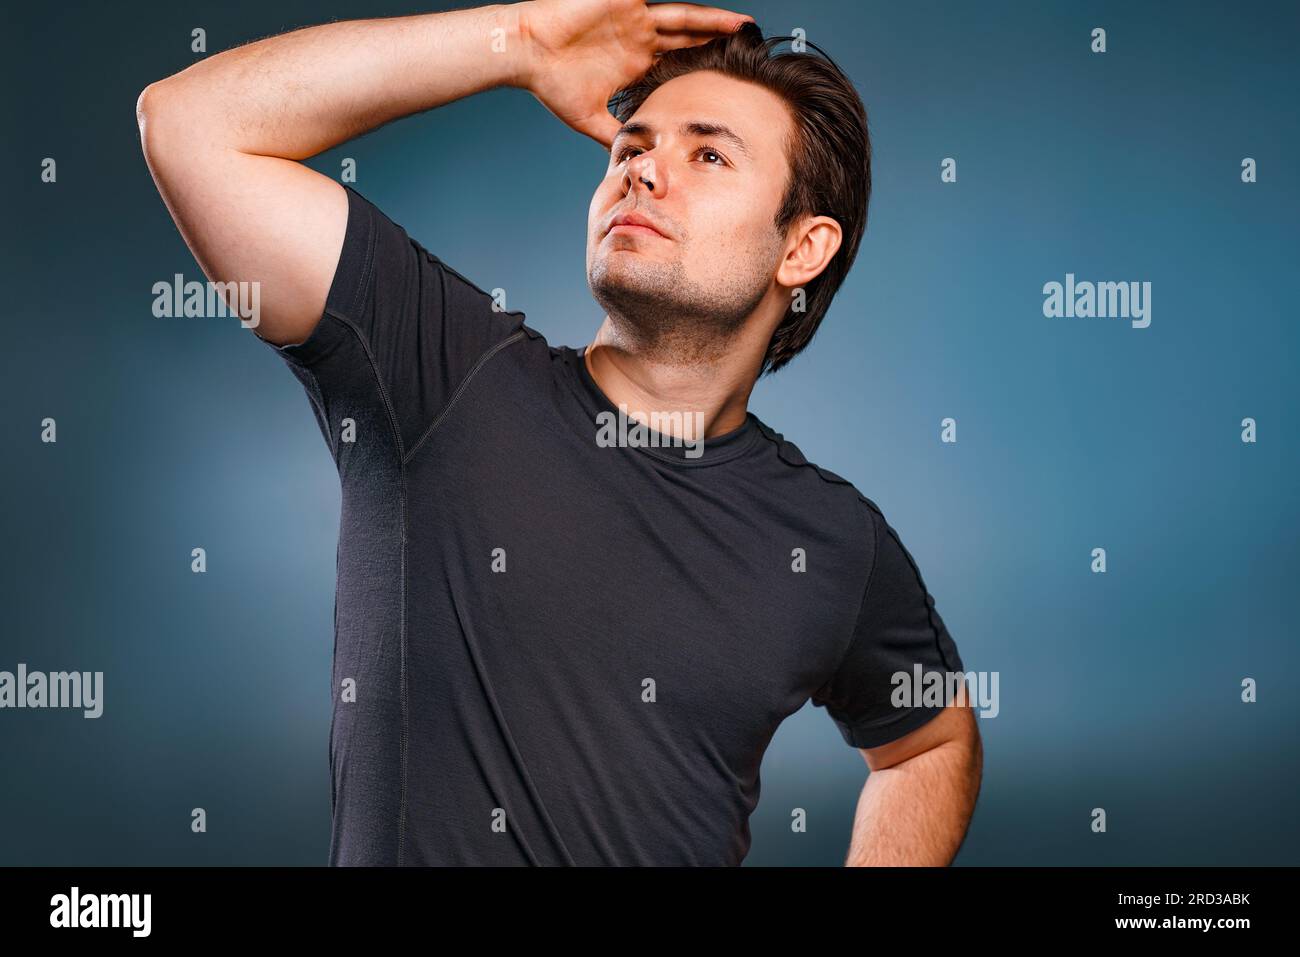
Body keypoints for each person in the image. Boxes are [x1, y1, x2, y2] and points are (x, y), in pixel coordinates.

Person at [136, 0, 982, 866]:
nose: (645, 171)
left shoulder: (835, 543)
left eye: (709, 154)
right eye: (632, 145)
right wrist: (523, 44)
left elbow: (930, 744)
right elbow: (190, 124)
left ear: (801, 250)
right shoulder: (439, 372)